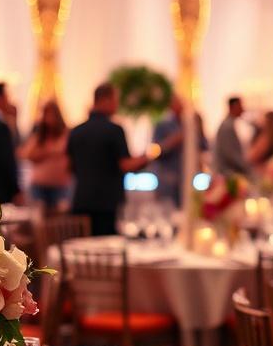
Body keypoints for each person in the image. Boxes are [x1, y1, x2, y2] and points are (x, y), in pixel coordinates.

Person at [68, 83, 151, 236]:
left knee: (82, 252)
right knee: (106, 253)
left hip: (81, 200)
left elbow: (69, 166)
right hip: (107, 204)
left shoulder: (76, 131)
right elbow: (125, 165)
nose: (117, 104)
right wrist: (147, 157)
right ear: (105, 100)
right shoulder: (114, 130)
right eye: (115, 100)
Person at [151, 95, 206, 207]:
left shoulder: (190, 124)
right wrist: (174, 140)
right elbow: (155, 151)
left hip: (188, 176)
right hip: (169, 178)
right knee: (169, 210)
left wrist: (200, 129)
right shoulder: (163, 125)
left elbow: (203, 146)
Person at [18, 100, 70, 213]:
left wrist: (46, 152)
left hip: (60, 186)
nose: (49, 118)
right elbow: (25, 154)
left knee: (59, 222)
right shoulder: (39, 135)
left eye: (52, 114)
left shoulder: (66, 134)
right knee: (39, 223)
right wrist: (49, 152)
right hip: (39, 186)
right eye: (46, 114)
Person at [214, 96, 250, 177]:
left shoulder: (229, 124)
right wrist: (246, 167)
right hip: (228, 173)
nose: (243, 109)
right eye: (240, 106)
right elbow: (230, 154)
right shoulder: (227, 126)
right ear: (233, 107)